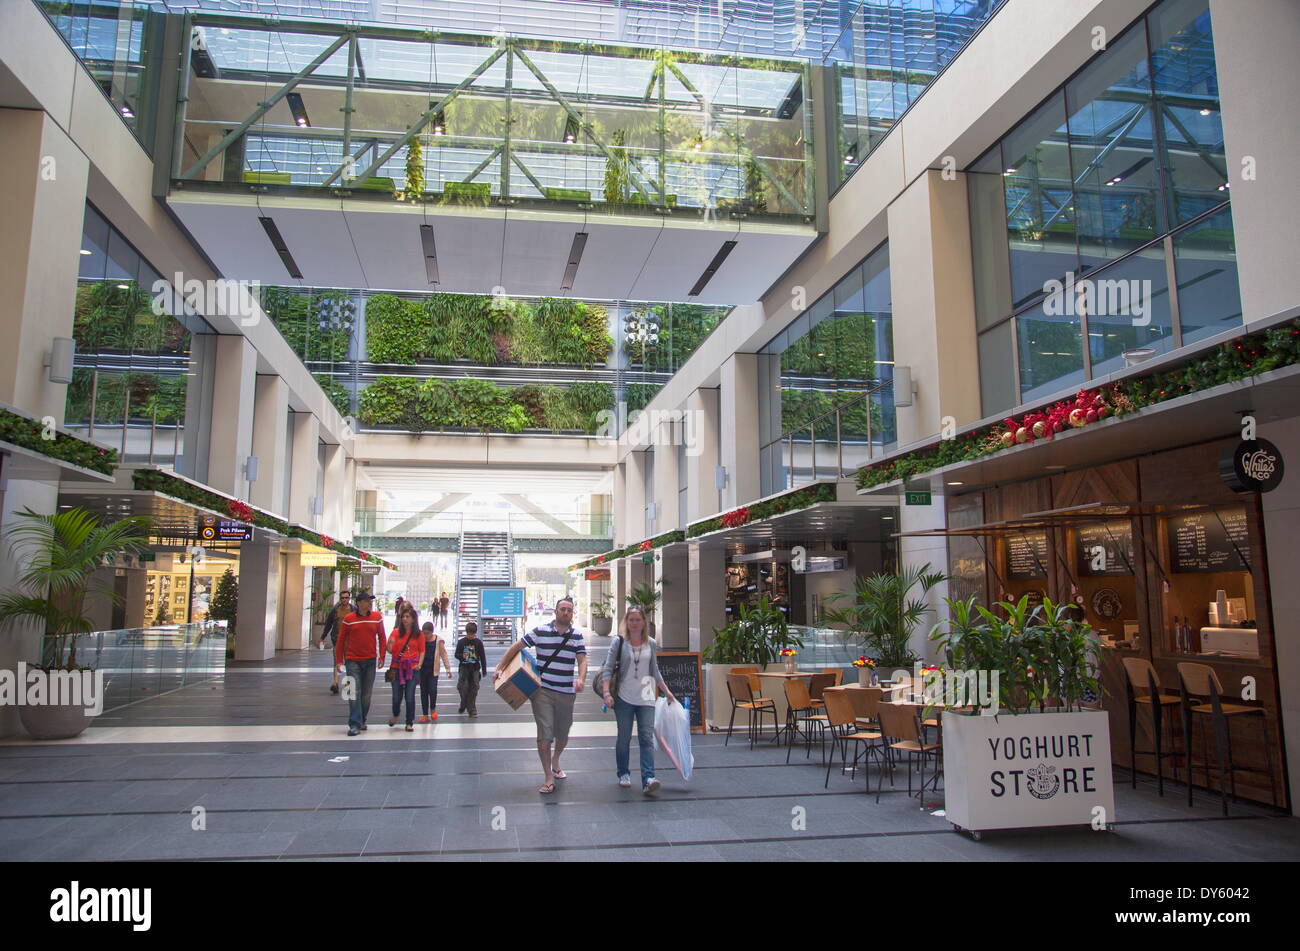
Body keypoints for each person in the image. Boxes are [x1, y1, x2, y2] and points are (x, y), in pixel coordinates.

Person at [493, 596, 587, 795]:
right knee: (545, 733)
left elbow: (582, 660)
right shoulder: (540, 631)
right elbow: (515, 647)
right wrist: (500, 668)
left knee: (563, 734)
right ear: (555, 611)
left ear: (573, 614)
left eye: (569, 610)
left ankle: (556, 759)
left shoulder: (577, 636)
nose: (565, 613)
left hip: (567, 693)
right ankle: (548, 776)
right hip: (542, 691)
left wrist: (581, 678)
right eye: (562, 609)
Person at [596, 606, 674, 796]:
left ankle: (648, 778)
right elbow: (608, 668)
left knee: (646, 738)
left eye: (637, 619)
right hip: (623, 697)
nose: (634, 623)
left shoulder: (651, 643)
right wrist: (606, 693)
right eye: (631, 620)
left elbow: (654, 670)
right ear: (626, 622)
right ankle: (623, 772)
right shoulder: (619, 642)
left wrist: (667, 692)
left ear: (644, 622)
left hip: (646, 697)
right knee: (624, 738)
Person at [335, 590, 387, 736]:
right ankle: (354, 723)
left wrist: (382, 656)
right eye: (366, 600)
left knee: (366, 694)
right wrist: (339, 660)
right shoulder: (348, 619)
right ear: (359, 603)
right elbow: (341, 640)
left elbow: (382, 637)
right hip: (352, 661)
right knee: (353, 692)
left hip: (370, 660)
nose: (370, 603)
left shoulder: (376, 617)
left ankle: (362, 718)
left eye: (370, 601)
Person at [386, 606, 425, 731]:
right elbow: (390, 650)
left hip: (412, 668)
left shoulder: (418, 634)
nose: (404, 619)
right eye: (403, 616)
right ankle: (396, 713)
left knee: (410, 696)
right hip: (396, 667)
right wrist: (389, 644)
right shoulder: (395, 632)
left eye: (407, 617)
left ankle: (409, 722)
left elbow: (422, 650)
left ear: (413, 619)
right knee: (396, 696)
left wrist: (419, 664)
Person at [418, 620, 452, 722]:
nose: (425, 636)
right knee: (423, 692)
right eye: (423, 633)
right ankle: (425, 714)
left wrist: (448, 669)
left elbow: (443, 654)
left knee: (433, 690)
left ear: (432, 632)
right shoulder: (421, 640)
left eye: (427, 633)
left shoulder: (438, 641)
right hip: (422, 670)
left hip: (433, 671)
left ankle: (432, 708)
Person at [455, 622, 488, 717]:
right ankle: (464, 702)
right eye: (469, 634)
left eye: (472, 634)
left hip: (475, 668)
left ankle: (472, 709)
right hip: (464, 668)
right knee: (462, 687)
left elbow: (482, 656)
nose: (471, 636)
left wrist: (484, 670)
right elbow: (456, 654)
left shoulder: (478, 643)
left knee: (474, 688)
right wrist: (463, 656)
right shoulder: (461, 642)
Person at [321, 589, 351, 694]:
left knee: (349, 662)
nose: (344, 600)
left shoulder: (353, 610)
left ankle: (348, 683)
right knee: (337, 661)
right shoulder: (335, 610)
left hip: (350, 641)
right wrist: (323, 636)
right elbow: (329, 623)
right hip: (337, 639)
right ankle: (335, 683)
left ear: (349, 598)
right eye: (342, 598)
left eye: (346, 597)